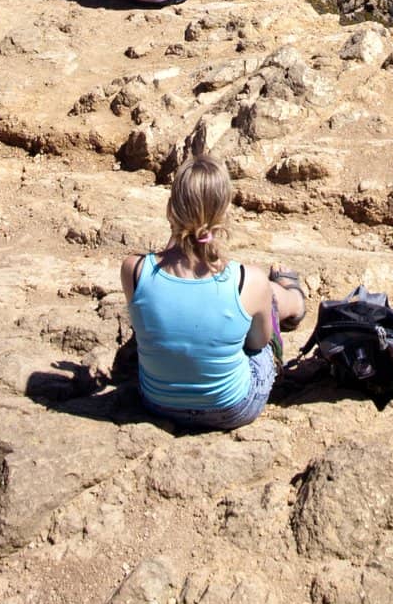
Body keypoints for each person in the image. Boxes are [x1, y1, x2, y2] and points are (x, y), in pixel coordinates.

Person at [121, 154, 307, 429]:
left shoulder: (134, 269)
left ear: (171, 209)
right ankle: (295, 301)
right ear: (223, 213)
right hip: (232, 408)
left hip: (157, 402)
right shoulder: (246, 279)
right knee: (264, 299)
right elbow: (257, 343)